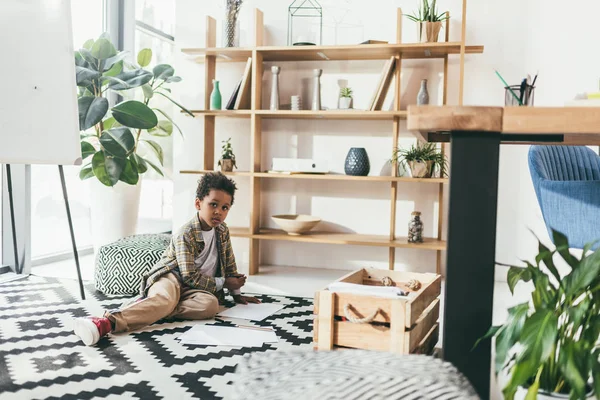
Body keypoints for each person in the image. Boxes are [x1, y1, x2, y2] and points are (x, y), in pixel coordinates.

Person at [72, 172, 260, 346]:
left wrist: (237, 294)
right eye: (213, 204)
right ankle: (105, 322)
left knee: (210, 306)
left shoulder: (222, 231)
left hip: (195, 290)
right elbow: (189, 276)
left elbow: (229, 262)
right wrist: (224, 283)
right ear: (198, 204)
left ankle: (156, 308)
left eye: (225, 207)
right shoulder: (185, 234)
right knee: (166, 298)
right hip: (173, 277)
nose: (219, 211)